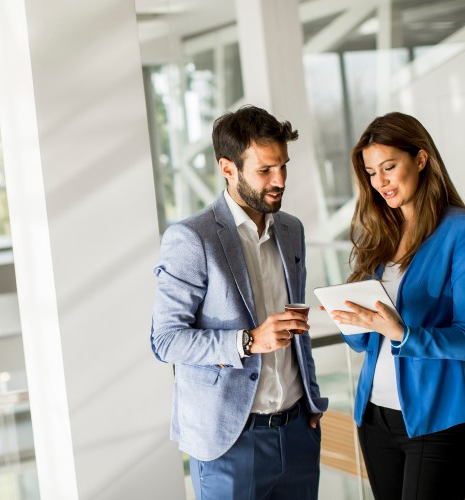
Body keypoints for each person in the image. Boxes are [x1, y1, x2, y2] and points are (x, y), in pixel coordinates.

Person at [151, 105, 328, 500]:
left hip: (299, 432)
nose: (279, 180)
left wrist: (313, 402)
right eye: (265, 170)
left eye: (283, 166)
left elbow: (294, 326)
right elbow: (165, 340)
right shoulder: (191, 239)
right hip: (230, 443)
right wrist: (247, 341)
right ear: (228, 169)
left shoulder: (291, 229)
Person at [329, 112, 465, 499]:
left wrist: (402, 332)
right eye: (371, 172)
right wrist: (352, 319)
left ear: (421, 159)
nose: (380, 182)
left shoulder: (464, 230)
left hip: (437, 422)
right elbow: (365, 344)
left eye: (389, 167)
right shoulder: (380, 234)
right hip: (373, 418)